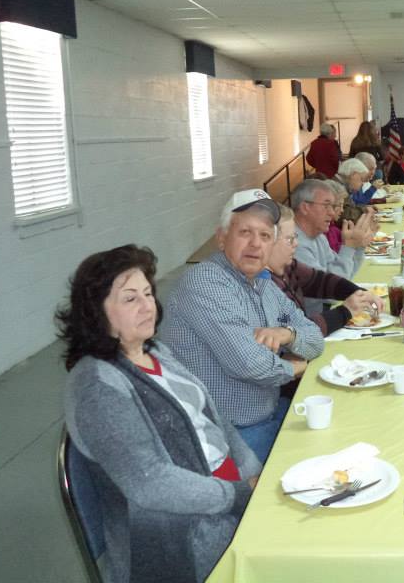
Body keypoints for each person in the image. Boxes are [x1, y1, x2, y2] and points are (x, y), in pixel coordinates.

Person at [60, 244, 263, 583]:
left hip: (226, 494)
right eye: (130, 299)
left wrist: (253, 474)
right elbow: (150, 483)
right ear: (96, 312)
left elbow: (216, 420)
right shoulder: (97, 387)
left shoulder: (157, 352)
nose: (147, 306)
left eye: (148, 294)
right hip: (185, 532)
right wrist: (239, 495)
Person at [162, 189, 324, 463]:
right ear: (222, 238)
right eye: (245, 232)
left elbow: (315, 339)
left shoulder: (262, 284)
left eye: (264, 235)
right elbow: (251, 365)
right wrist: (300, 367)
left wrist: (287, 333)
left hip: (270, 414)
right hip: (226, 437)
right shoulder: (205, 282)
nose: (255, 244)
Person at [269, 206, 384, 335]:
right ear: (267, 241)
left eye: (295, 236)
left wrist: (360, 293)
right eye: (290, 239)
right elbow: (296, 334)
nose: (296, 243)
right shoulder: (264, 284)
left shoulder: (289, 266)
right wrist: (345, 311)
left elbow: (322, 281)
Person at [292, 178, 374, 313]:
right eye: (326, 205)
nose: (331, 212)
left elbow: (345, 278)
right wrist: (349, 248)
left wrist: (359, 246)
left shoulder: (318, 237)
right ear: (305, 207)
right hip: (308, 322)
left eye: (333, 206)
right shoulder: (295, 243)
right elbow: (330, 295)